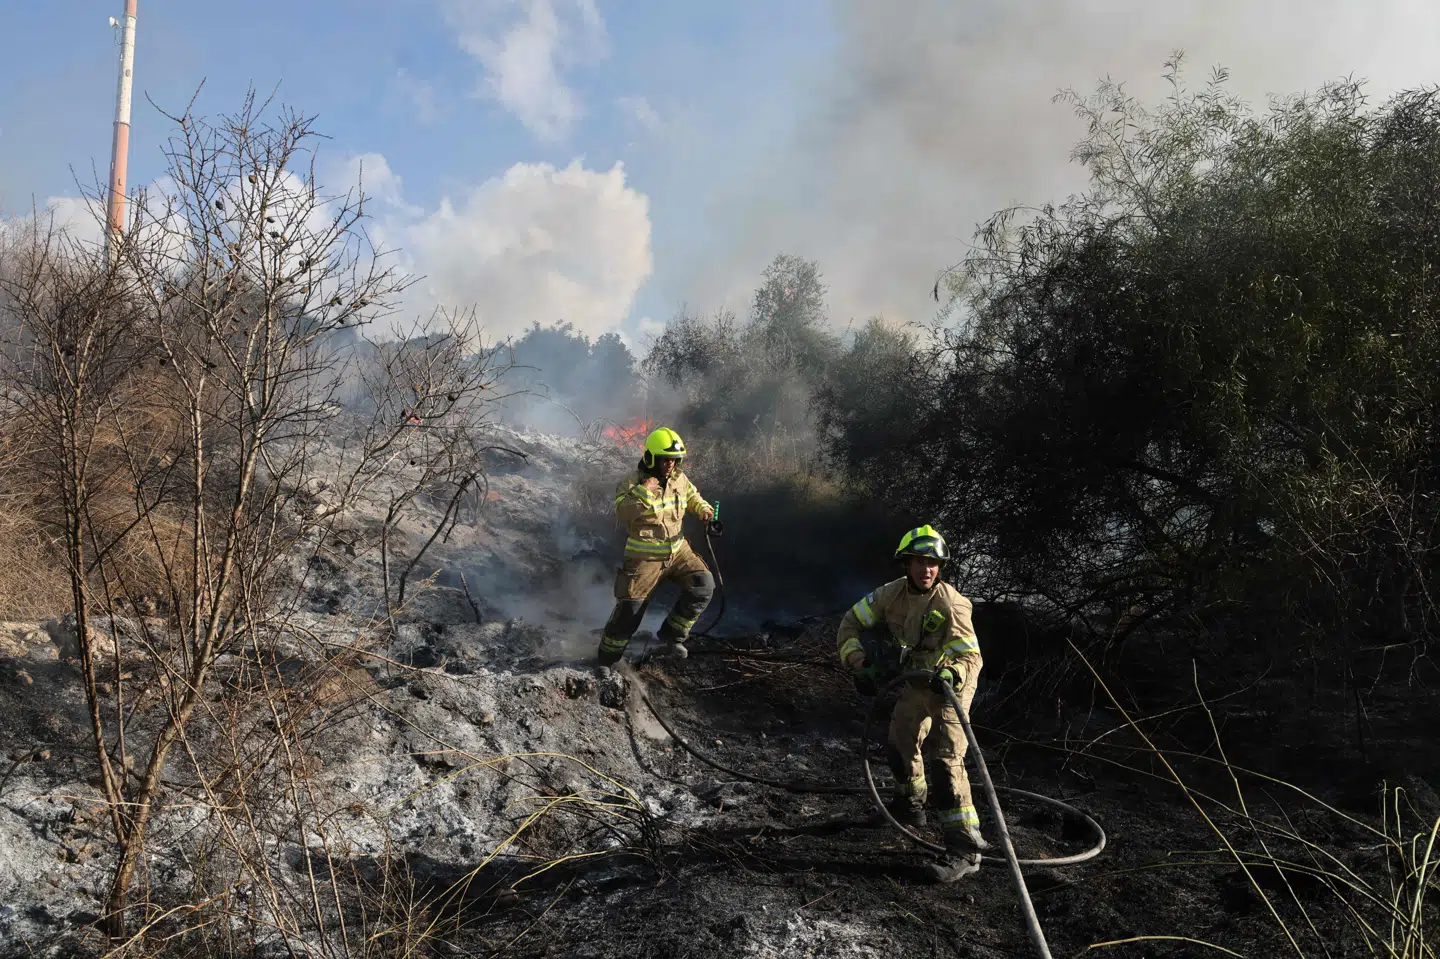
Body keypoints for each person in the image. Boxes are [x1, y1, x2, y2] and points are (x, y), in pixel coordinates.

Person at [836, 525, 988, 883]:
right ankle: (910, 807)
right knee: (899, 745)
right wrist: (859, 662)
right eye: (919, 561)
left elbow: (971, 657)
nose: (927, 569)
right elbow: (850, 624)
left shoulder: (952, 604)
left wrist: (952, 674)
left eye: (933, 563)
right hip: (917, 681)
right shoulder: (890, 595)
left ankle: (965, 850)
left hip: (950, 686)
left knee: (947, 763)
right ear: (907, 563)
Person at [596, 427, 717, 666]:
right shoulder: (632, 483)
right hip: (645, 556)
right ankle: (607, 659)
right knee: (630, 611)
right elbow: (622, 513)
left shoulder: (679, 478)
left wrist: (703, 509)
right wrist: (644, 492)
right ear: (651, 458)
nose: (670, 464)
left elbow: (692, 496)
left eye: (674, 459)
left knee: (703, 585)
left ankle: (671, 638)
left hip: (678, 551)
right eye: (664, 459)